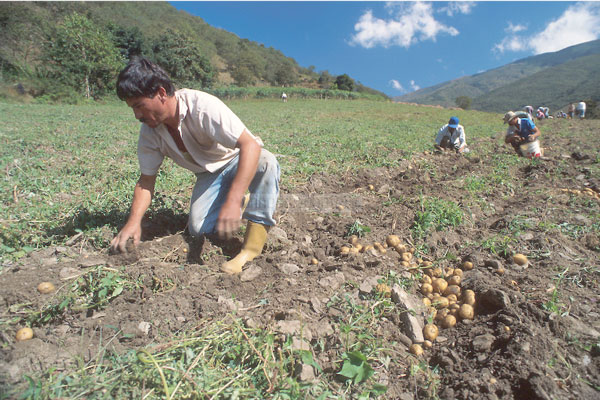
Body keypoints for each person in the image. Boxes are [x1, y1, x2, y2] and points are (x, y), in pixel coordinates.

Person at [110, 57, 280, 275]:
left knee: (266, 162)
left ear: (161, 93)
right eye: (132, 108)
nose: (137, 116)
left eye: (139, 106)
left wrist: (233, 197)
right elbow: (146, 181)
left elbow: (250, 145)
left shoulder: (201, 106)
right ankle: (243, 203)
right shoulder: (150, 133)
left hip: (237, 159)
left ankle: (249, 250)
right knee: (199, 229)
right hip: (208, 175)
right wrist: (133, 222)